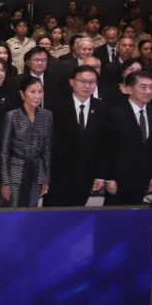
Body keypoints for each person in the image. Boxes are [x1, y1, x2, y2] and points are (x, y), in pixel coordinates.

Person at [43, 65, 107, 207]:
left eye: (92, 82)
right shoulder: (55, 106)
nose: (87, 86)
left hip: (86, 175)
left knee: (77, 213)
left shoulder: (102, 108)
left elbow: (104, 144)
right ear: (72, 82)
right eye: (83, 81)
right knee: (52, 214)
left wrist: (100, 175)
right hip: (58, 174)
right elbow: (47, 142)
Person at [102, 70, 152, 206]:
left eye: (151, 87)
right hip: (119, 179)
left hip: (143, 178)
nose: (148, 91)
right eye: (143, 87)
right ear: (129, 89)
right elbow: (107, 148)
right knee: (113, 216)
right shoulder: (115, 114)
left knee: (135, 215)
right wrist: (109, 178)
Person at [0, 75, 53, 208]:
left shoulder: (47, 115)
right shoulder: (12, 116)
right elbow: (4, 152)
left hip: (36, 171)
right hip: (15, 172)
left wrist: (46, 178)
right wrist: (5, 182)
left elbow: (47, 150)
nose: (37, 96)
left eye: (40, 91)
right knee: (12, 210)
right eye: (32, 92)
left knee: (31, 210)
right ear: (22, 94)